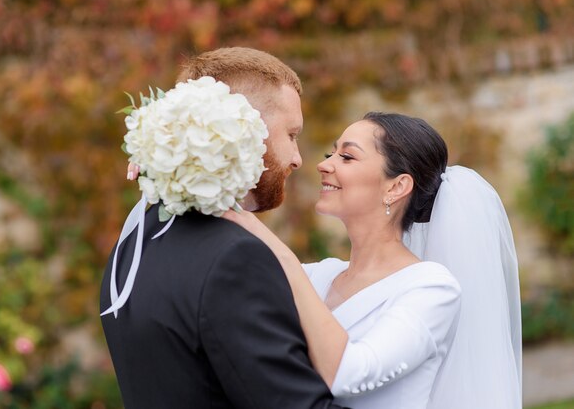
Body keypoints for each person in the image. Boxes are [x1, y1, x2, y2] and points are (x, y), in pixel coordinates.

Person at [100, 47, 348, 409]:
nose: (297, 159)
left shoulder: (135, 240)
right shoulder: (236, 259)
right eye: (291, 134)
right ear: (245, 129)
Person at [223, 112, 522, 409]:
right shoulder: (319, 276)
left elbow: (349, 374)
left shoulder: (431, 288)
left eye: (347, 157)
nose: (324, 164)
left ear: (395, 187)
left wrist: (283, 257)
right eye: (331, 153)